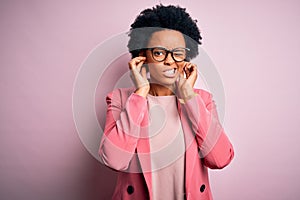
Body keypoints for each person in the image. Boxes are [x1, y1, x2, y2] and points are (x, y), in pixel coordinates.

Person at [98, 4, 234, 200]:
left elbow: (220, 159)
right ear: (142, 56)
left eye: (177, 52)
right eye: (160, 53)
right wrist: (140, 93)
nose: (170, 61)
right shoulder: (120, 99)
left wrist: (188, 97)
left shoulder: (201, 100)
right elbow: (114, 160)